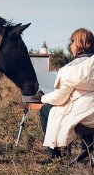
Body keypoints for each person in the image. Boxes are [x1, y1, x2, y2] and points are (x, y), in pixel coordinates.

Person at [39, 28, 94, 159]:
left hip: (83, 117)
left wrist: (42, 97)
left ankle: (55, 156)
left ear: (80, 43)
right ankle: (86, 152)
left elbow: (59, 98)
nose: (70, 45)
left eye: (72, 41)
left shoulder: (69, 70)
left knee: (46, 109)